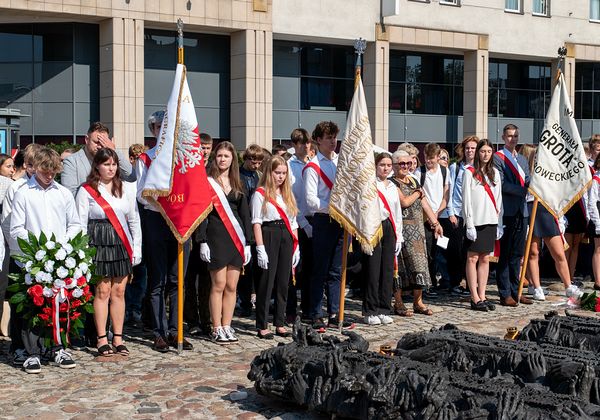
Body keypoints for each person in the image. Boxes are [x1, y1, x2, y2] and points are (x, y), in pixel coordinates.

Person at [10, 148, 82, 373]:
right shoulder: (24, 193)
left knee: (59, 304)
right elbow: (16, 228)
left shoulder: (62, 193)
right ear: (35, 168)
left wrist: (63, 247)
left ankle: (57, 347)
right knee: (35, 306)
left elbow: (75, 224)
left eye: (53, 171)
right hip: (34, 259)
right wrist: (37, 249)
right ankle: (32, 353)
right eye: (45, 171)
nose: (49, 175)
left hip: (59, 258)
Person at [136, 111, 193, 352]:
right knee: (157, 280)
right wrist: (165, 203)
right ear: (153, 130)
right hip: (156, 219)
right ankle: (158, 332)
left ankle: (175, 329)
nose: (162, 130)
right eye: (158, 126)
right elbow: (141, 194)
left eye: (166, 126)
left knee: (177, 279)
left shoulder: (182, 158)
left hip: (179, 221)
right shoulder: (145, 159)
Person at [76, 148, 141, 356]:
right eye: (106, 164)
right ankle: (102, 338)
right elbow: (79, 223)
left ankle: (119, 338)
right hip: (98, 243)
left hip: (121, 244)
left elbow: (134, 220)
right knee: (102, 292)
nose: (111, 168)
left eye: (113, 164)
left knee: (119, 292)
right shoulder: (86, 190)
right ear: (97, 166)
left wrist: (137, 247)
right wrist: (83, 251)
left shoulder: (126, 189)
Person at [198, 141, 252, 344]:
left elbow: (245, 215)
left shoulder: (238, 183)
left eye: (226, 156)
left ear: (232, 160)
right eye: (219, 155)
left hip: (236, 238)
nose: (222, 159)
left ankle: (227, 326)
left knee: (231, 286)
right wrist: (202, 240)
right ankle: (216, 327)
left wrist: (248, 242)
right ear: (215, 157)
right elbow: (203, 214)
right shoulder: (208, 182)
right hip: (215, 237)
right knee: (218, 284)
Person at [304, 121, 354, 331]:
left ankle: (335, 311)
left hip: (340, 221)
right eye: (328, 138)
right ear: (318, 140)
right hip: (324, 220)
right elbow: (311, 201)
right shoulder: (313, 166)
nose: (333, 142)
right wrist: (333, 208)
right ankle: (316, 313)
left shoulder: (341, 162)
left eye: (335, 137)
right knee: (320, 269)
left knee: (337, 269)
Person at [1, 143, 43, 366]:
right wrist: (23, 252)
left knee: (41, 302)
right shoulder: (15, 189)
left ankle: (41, 345)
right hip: (21, 254)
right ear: (28, 166)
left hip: (43, 255)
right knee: (21, 304)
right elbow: (9, 226)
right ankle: (19, 347)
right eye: (37, 166)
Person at [520, 145, 578, 300]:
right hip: (532, 208)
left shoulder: (554, 174)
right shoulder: (528, 173)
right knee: (533, 252)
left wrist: (560, 218)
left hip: (547, 211)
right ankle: (536, 287)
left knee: (558, 252)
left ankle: (568, 286)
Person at [252, 156, 299, 338]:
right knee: (266, 281)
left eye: (284, 173)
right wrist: (260, 247)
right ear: (269, 173)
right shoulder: (260, 194)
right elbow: (256, 222)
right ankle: (262, 324)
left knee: (283, 281)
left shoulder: (287, 194)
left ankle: (280, 321)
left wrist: (297, 246)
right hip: (268, 233)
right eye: (277, 173)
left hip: (286, 235)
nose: (281, 177)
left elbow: (293, 222)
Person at [391, 150, 442, 316]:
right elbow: (405, 202)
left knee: (420, 266)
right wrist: (418, 192)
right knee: (400, 268)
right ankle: (398, 303)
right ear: (394, 165)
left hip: (418, 230)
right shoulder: (392, 183)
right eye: (402, 164)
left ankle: (418, 302)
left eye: (408, 163)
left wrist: (435, 223)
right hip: (400, 230)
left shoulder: (413, 180)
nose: (406, 166)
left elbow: (425, 204)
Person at [493, 123, 532, 306]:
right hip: (506, 211)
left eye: (515, 136)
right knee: (506, 254)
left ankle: (517, 292)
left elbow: (528, 180)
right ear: (503, 137)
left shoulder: (523, 159)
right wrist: (524, 191)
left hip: (522, 211)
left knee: (517, 253)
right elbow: (502, 185)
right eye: (509, 136)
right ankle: (505, 293)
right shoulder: (498, 158)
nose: (512, 139)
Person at [462, 139, 503, 311]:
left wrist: (499, 223)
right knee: (472, 258)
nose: (485, 155)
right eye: (482, 151)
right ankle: (474, 297)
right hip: (475, 221)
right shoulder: (469, 172)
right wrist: (469, 222)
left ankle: (483, 294)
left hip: (490, 220)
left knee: (485, 258)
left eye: (488, 151)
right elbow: (466, 200)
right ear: (477, 152)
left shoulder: (495, 172)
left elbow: (499, 200)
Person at [364, 153, 402, 325]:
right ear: (375, 166)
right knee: (373, 270)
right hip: (373, 226)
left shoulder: (393, 187)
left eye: (388, 165)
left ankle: (384, 308)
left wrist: (399, 236)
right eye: (382, 165)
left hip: (390, 227)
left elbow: (397, 212)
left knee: (387, 270)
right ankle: (370, 310)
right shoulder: (370, 185)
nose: (386, 168)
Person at [184, 132, 214, 337]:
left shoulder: (213, 169)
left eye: (207, 147)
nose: (204, 151)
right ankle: (192, 319)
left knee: (208, 280)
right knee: (190, 279)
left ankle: (207, 319)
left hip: (211, 231)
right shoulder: (188, 169)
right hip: (190, 230)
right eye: (201, 147)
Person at [414, 143, 450, 294]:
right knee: (427, 251)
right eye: (426, 159)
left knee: (440, 250)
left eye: (431, 159)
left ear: (437, 157)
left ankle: (441, 281)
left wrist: (436, 216)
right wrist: (430, 217)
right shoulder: (419, 172)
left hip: (439, 215)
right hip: (424, 218)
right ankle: (428, 284)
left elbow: (446, 196)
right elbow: (420, 197)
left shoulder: (444, 171)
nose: (428, 162)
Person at [62, 122, 134, 196]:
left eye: (103, 142)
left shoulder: (111, 159)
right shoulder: (72, 161)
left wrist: (114, 150)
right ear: (86, 139)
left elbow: (131, 177)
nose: (100, 146)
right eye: (96, 142)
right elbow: (69, 195)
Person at [445, 136, 479, 296]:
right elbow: (449, 192)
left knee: (472, 251)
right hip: (458, 213)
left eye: (473, 148)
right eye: (467, 148)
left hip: (476, 215)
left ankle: (470, 283)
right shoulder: (456, 167)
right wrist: (450, 212)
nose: (470, 151)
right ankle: (455, 282)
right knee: (455, 250)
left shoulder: (481, 168)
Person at [286, 128, 313, 323]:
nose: (306, 146)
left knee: (310, 269)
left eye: (308, 142)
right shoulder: (288, 166)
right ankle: (290, 310)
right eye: (301, 143)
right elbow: (290, 198)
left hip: (313, 221)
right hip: (296, 221)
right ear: (294, 145)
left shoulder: (313, 164)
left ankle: (308, 307)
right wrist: (302, 222)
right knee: (294, 268)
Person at [237, 144, 265, 317]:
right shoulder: (238, 174)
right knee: (244, 265)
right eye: (253, 161)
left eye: (259, 162)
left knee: (256, 264)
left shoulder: (259, 175)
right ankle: (244, 300)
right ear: (246, 159)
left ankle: (255, 298)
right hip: (241, 222)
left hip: (256, 222)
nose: (255, 165)